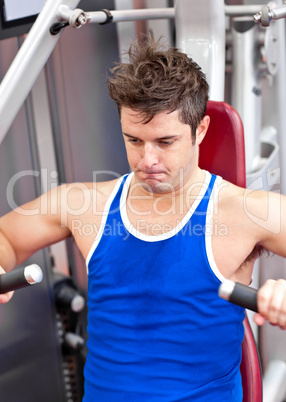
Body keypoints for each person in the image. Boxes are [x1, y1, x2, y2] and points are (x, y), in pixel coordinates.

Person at [0, 32, 286, 401]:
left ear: (200, 130)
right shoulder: (85, 204)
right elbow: (7, 237)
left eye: (165, 142)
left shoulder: (249, 212)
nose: (146, 161)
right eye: (134, 140)